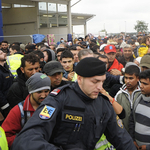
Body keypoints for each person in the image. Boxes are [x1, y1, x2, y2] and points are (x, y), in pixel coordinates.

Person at [11, 57, 136, 150]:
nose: (100, 87)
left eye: (102, 82)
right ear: (80, 79)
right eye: (95, 82)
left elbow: (122, 139)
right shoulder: (58, 99)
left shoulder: (103, 104)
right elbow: (27, 138)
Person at [2, 73, 51, 148]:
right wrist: (26, 140)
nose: (43, 95)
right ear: (31, 92)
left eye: (46, 91)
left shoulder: (52, 107)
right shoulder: (18, 111)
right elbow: (4, 138)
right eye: (39, 92)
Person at [115, 64, 141, 132]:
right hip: (123, 134)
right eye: (126, 78)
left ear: (138, 78)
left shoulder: (143, 93)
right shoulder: (119, 94)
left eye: (131, 78)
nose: (127, 81)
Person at [129, 69, 150, 149]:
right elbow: (132, 120)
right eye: (140, 82)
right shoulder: (138, 98)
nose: (141, 86)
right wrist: (133, 140)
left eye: (145, 83)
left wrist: (148, 147)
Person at [0, 50, 14, 124]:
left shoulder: (5, 68)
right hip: (5, 105)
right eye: (1, 53)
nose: (4, 54)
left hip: (10, 102)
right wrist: (5, 106)